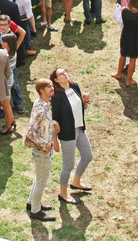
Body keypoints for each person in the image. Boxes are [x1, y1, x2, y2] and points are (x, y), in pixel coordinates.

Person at [51, 67, 93, 204]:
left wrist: (85, 101)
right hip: (67, 133)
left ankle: (76, 182)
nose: (65, 74)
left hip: (80, 129)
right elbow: (54, 119)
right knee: (68, 165)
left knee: (87, 156)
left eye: (65, 72)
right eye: (61, 74)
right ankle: (63, 193)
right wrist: (55, 140)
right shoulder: (57, 96)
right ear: (56, 80)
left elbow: (81, 109)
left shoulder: (75, 86)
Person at [26, 78, 60, 221]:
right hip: (41, 150)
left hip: (43, 149)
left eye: (52, 86)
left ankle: (32, 202)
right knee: (42, 179)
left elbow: (45, 123)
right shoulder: (41, 109)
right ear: (42, 91)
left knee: (39, 177)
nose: (52, 88)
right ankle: (35, 211)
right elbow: (30, 132)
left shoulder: (43, 103)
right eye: (49, 87)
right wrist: (45, 144)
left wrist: (54, 123)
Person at [113, 0, 138, 87]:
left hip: (125, 34)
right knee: (132, 59)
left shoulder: (124, 10)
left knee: (123, 55)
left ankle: (118, 73)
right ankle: (129, 79)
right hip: (135, 36)